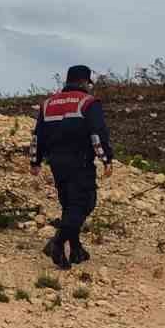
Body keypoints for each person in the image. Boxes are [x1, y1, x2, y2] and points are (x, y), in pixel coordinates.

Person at [30, 65, 114, 268]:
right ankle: (57, 244)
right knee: (85, 203)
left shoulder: (48, 104)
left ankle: (76, 249)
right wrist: (106, 159)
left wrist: (36, 161)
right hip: (80, 161)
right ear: (85, 82)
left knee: (69, 205)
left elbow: (37, 136)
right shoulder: (88, 103)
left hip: (56, 164)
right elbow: (97, 134)